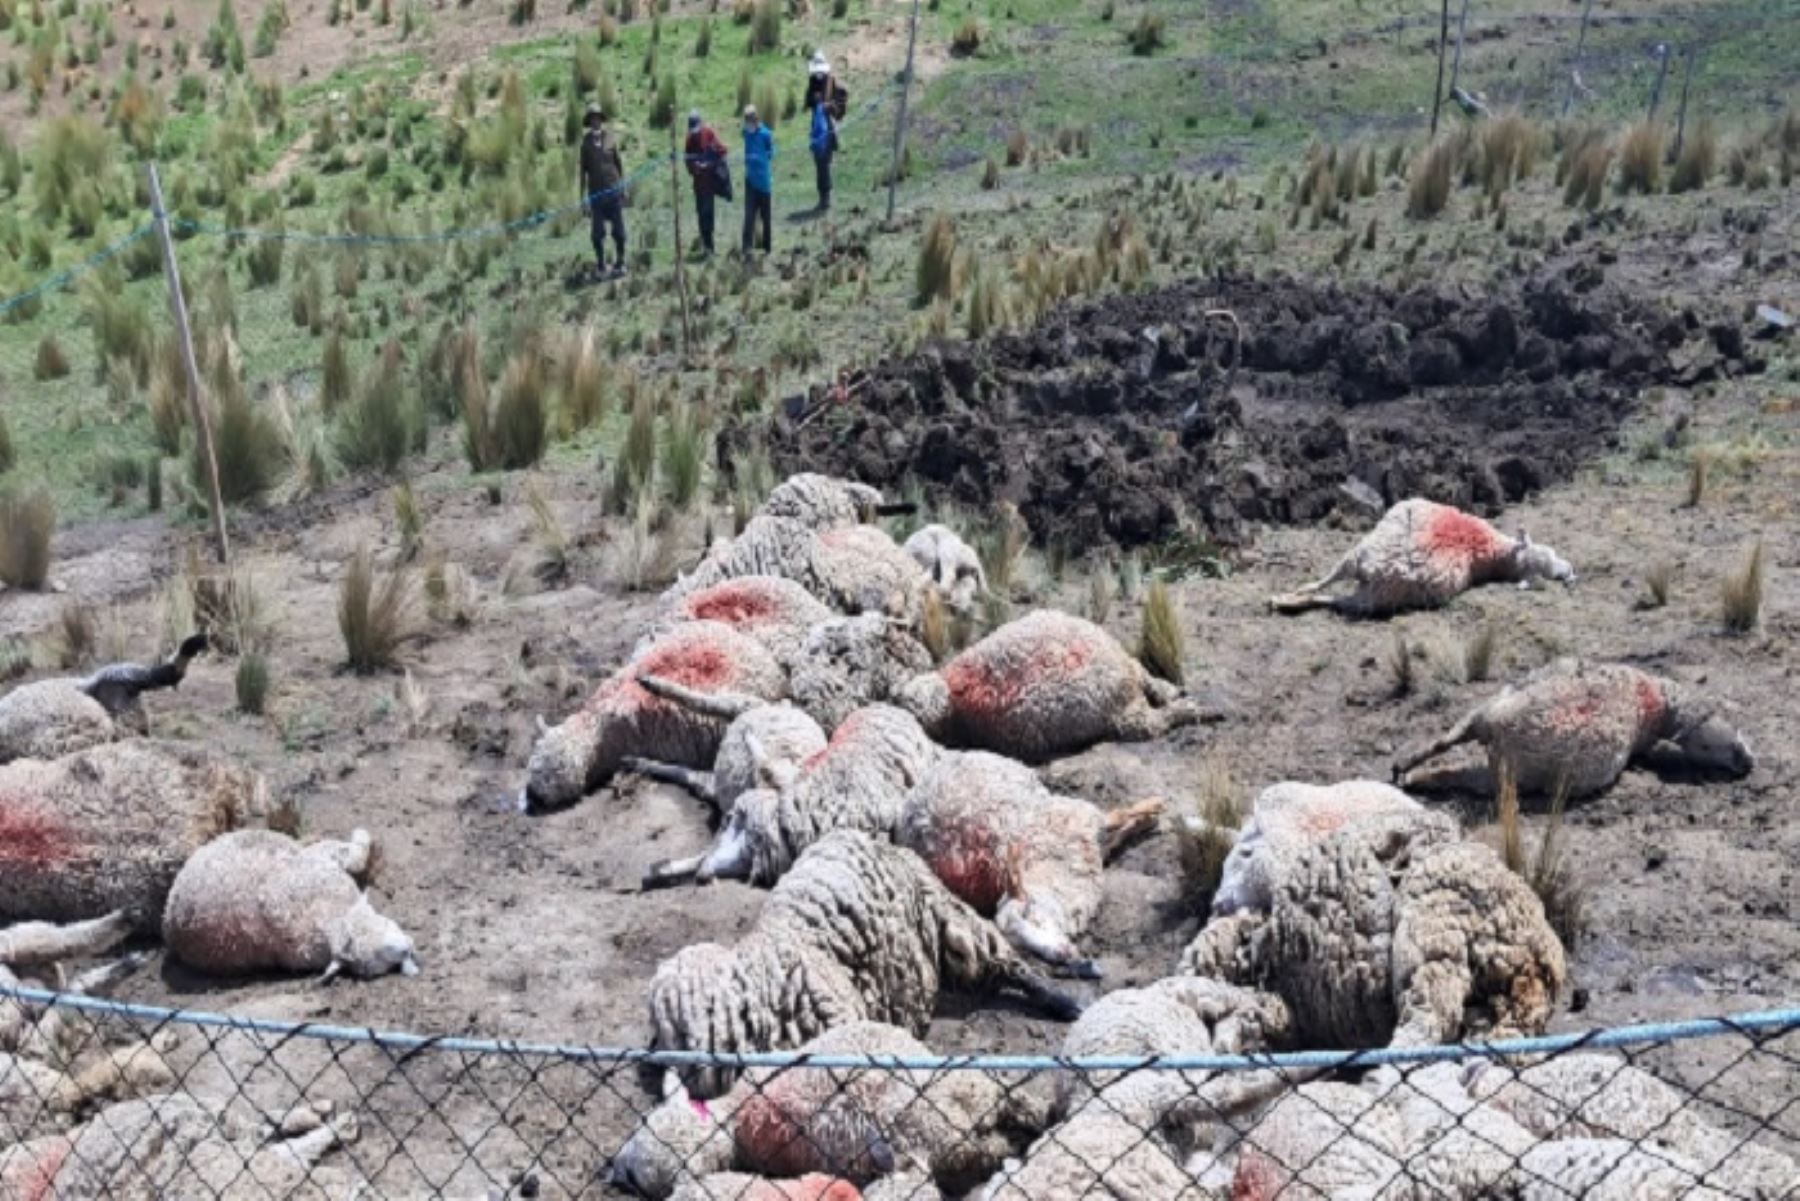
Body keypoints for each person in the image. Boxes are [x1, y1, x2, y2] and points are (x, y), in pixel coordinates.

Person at [579, 102, 626, 278]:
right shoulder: (585, 143)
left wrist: (623, 187)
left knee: (619, 232)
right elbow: (582, 172)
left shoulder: (611, 138)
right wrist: (582, 197)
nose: (595, 121)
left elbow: (618, 164)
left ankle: (620, 262)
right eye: (592, 118)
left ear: (601, 120)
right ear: (589, 122)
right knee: (597, 234)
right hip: (596, 196)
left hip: (614, 193)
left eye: (598, 118)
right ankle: (600, 265)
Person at [683, 110, 730, 258]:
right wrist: (694, 168)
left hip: (710, 184)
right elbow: (687, 161)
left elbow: (722, 151)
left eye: (696, 129)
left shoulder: (709, 133)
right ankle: (705, 247)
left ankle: (710, 247)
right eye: (692, 130)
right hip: (698, 185)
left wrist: (709, 163)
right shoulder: (689, 140)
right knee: (701, 215)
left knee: (708, 215)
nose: (695, 133)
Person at [805, 53, 846, 213]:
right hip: (816, 130)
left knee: (824, 164)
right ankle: (822, 196)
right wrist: (814, 99)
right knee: (819, 164)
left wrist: (830, 106)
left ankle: (826, 197)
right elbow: (807, 100)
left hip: (828, 130)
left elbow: (840, 109)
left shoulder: (832, 83)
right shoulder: (812, 81)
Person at [740, 104, 774, 257]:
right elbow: (746, 146)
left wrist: (761, 158)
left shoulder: (765, 134)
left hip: (764, 184)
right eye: (745, 120)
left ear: (755, 119)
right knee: (749, 217)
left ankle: (767, 248)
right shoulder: (746, 133)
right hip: (750, 182)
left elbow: (772, 152)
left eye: (749, 120)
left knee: (766, 217)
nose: (747, 123)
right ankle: (747, 247)